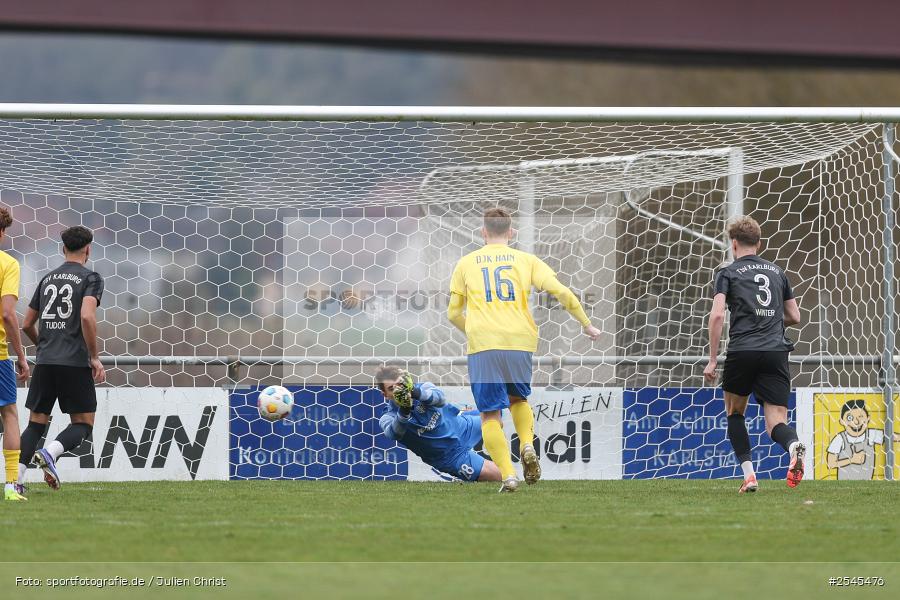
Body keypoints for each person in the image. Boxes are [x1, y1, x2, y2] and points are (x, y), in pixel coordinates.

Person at [447, 207, 600, 492]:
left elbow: (453, 313)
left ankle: (508, 475)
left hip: (484, 345)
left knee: (490, 414)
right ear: (511, 232)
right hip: (520, 341)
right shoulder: (526, 260)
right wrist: (587, 324)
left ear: (483, 232)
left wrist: (478, 331)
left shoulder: (466, 263)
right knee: (518, 399)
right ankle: (527, 444)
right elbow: (561, 291)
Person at [704, 216, 804, 493]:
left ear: (733, 244)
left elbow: (717, 316)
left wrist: (712, 359)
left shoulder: (727, 272)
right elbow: (795, 316)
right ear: (759, 243)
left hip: (743, 349)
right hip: (775, 351)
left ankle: (749, 476)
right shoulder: (777, 272)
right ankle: (793, 445)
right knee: (776, 421)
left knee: (735, 412)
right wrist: (768, 321)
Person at [18, 225, 105, 491]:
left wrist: (44, 345)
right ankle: (50, 453)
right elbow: (87, 316)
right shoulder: (91, 278)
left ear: (63, 248)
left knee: (35, 424)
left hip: (45, 361)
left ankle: (15, 482)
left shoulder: (47, 279)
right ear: (88, 249)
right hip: (74, 362)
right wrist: (94, 357)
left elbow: (26, 324)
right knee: (83, 424)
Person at [376, 365, 501, 483]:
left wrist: (414, 392)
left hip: (462, 426)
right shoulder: (387, 417)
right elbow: (394, 433)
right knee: (501, 475)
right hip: (451, 456)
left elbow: (440, 399)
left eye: (400, 385)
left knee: (497, 414)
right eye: (392, 389)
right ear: (385, 395)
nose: (399, 391)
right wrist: (404, 409)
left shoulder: (423, 387)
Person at [0, 208, 29, 501]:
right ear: (2, 232)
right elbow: (8, 314)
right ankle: (10, 486)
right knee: (9, 414)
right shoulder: (8, 264)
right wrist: (20, 355)